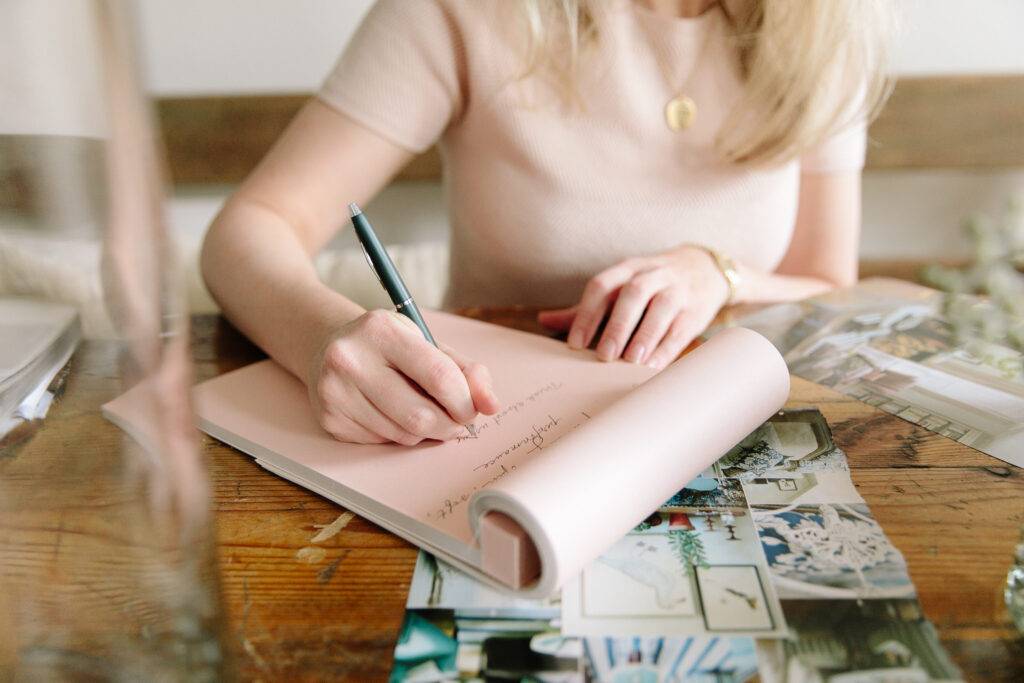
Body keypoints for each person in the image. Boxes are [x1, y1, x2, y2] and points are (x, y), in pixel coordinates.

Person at [200, 0, 893, 446]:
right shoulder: (461, 13)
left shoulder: (825, 21)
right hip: (492, 442)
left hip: (745, 435)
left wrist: (721, 272)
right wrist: (321, 335)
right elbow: (251, 227)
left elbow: (829, 282)